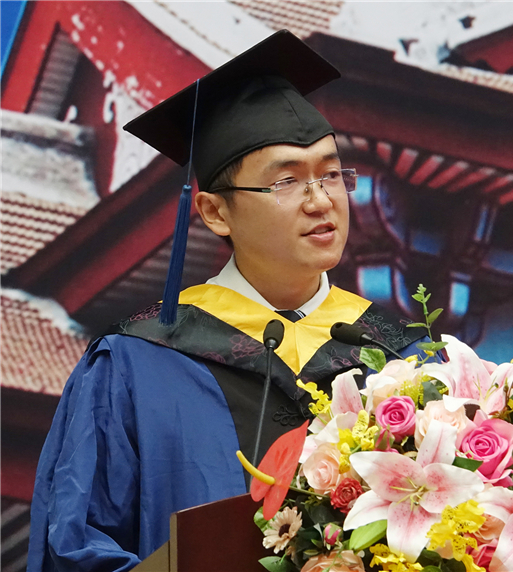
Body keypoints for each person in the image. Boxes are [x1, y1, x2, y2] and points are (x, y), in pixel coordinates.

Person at [27, 31, 426, 572]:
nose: (321, 200)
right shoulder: (136, 364)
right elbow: (73, 550)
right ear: (215, 212)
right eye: (287, 181)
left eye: (331, 174)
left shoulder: (404, 360)